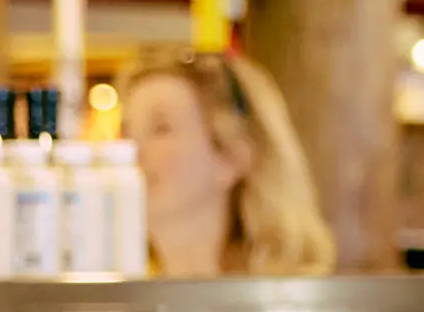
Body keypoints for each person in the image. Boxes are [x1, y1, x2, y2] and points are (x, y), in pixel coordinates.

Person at [118, 47, 334, 275]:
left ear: (232, 155)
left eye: (161, 128)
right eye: (127, 131)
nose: (131, 150)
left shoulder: (295, 300)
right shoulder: (107, 300)